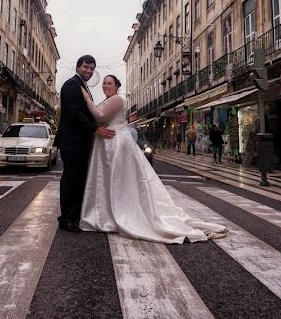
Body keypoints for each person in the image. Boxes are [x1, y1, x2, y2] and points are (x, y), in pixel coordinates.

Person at [79, 75, 227, 243]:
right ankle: (108, 212)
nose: (106, 85)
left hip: (116, 143)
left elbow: (99, 116)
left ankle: (117, 212)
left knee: (117, 180)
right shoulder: (110, 99)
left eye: (109, 83)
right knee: (113, 180)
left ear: (117, 86)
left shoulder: (117, 99)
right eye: (104, 83)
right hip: (110, 142)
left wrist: (86, 99)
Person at [58, 55, 111, 232]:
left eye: (91, 68)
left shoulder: (81, 85)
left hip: (78, 141)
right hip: (73, 141)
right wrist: (95, 129)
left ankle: (71, 216)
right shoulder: (73, 85)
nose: (89, 71)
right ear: (78, 67)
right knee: (72, 180)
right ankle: (67, 219)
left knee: (77, 179)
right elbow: (74, 112)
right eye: (86, 67)